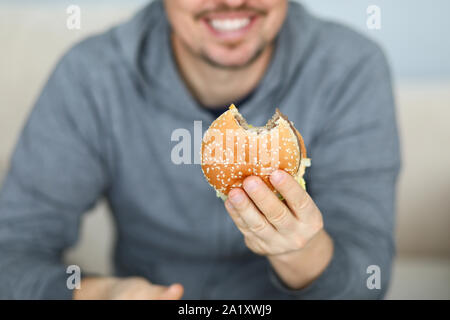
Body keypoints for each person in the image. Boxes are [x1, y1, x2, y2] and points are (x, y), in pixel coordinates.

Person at [0, 0, 401, 299]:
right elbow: (11, 250)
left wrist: (303, 253)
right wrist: (102, 294)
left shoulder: (350, 66)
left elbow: (368, 278)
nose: (230, 2)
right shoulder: (91, 75)